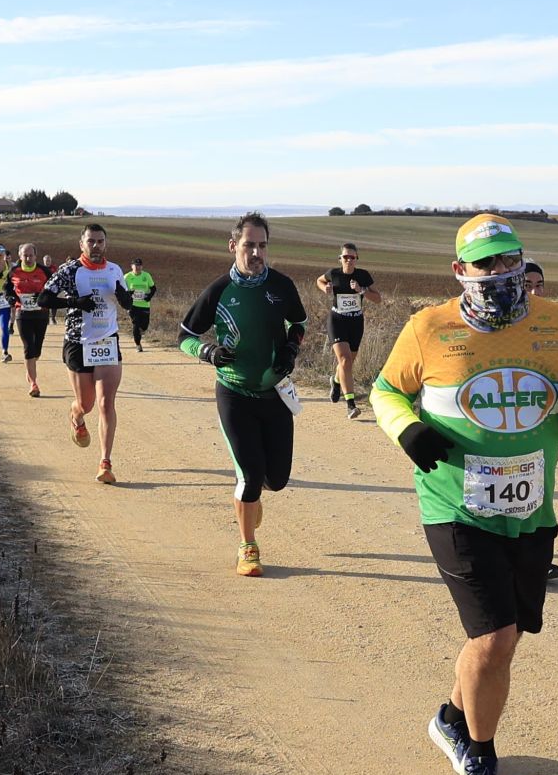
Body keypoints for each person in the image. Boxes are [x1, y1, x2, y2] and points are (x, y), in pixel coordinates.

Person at [370, 214, 558, 775]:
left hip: (530, 508)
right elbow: (384, 392)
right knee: (496, 638)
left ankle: (452, 718)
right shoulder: (429, 329)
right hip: (453, 504)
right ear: (459, 272)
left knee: (503, 642)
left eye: (510, 263)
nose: (500, 275)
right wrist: (408, 431)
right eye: (486, 266)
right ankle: (480, 760)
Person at [177, 212, 307, 577]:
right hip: (234, 392)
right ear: (233, 246)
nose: (256, 253)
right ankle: (247, 546)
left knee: (276, 479)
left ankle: (252, 499)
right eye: (249, 245)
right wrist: (208, 353)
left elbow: (299, 323)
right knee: (250, 476)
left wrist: (291, 350)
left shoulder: (281, 286)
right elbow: (184, 335)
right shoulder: (219, 291)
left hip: (274, 392)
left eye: (262, 245)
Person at [43, 223, 134, 485]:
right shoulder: (71, 271)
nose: (96, 246)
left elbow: (127, 303)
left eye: (100, 241)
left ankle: (105, 462)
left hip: (107, 341)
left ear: (106, 244)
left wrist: (125, 299)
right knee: (87, 404)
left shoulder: (115, 270)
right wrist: (74, 302)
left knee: (106, 403)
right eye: (91, 241)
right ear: (81, 244)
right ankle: (76, 416)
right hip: (78, 342)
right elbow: (44, 299)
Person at [523, 261, 558, 580]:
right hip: (500, 422)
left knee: (539, 487)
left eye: (539, 284)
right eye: (527, 284)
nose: (535, 291)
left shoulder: (556, 326)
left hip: (541, 424)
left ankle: (539, 558)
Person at [314, 242, 381, 418]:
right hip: (337, 319)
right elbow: (320, 280)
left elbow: (378, 299)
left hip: (356, 322)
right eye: (346, 257)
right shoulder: (333, 274)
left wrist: (361, 290)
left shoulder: (363, 276)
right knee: (344, 361)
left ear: (356, 259)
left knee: (348, 362)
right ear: (340, 259)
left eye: (352, 257)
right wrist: (325, 288)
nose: (349, 260)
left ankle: (336, 381)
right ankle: (351, 405)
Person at [8, 242, 52, 398]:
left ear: (35, 256)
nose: (27, 258)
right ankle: (33, 383)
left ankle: (30, 369)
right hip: (23, 314)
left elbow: (53, 288)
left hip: (41, 314)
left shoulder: (44, 271)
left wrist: (44, 297)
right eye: (24, 255)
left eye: (30, 255)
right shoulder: (13, 272)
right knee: (28, 347)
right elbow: (7, 288)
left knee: (37, 349)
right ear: (20, 256)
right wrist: (11, 298)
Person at [123, 258, 157, 352]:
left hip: (145, 304)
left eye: (139, 265)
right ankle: (138, 344)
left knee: (145, 326)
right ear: (131, 266)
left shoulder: (146, 275)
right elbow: (122, 290)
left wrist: (149, 296)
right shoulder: (127, 277)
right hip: (133, 305)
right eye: (135, 265)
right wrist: (129, 294)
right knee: (136, 324)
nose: (137, 267)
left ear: (142, 266)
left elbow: (153, 288)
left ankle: (138, 333)